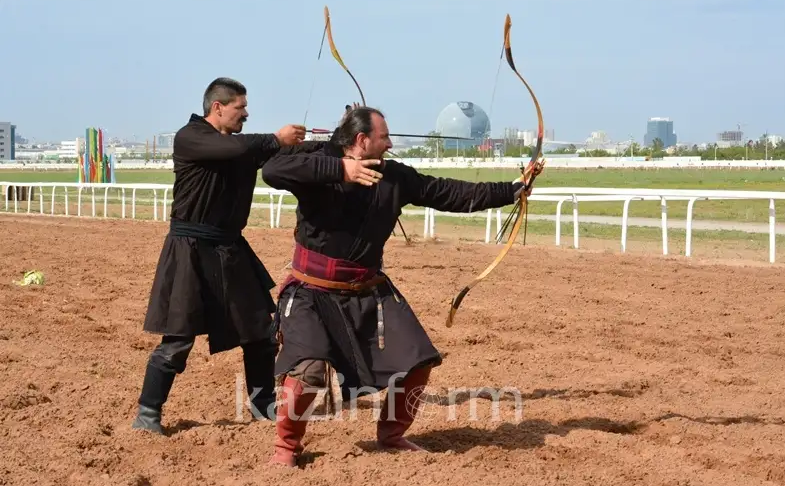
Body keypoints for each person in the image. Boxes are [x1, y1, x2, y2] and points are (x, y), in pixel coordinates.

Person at [260, 105, 543, 467]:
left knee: (417, 361)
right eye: (384, 137)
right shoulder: (321, 165)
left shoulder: (393, 177)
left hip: (367, 290)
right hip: (311, 292)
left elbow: (446, 192)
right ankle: (286, 447)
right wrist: (342, 169)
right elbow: (273, 170)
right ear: (361, 140)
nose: (391, 144)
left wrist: (512, 190)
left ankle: (392, 435)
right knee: (308, 371)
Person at [131, 78, 385, 435]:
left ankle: (262, 404)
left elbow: (293, 154)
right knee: (178, 342)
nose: (246, 113)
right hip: (190, 250)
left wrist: (341, 137)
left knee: (261, 333)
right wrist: (276, 138)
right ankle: (147, 414)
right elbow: (239, 148)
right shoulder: (191, 137)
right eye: (240, 107)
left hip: (230, 249)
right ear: (217, 107)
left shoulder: (241, 147)